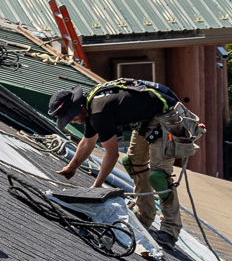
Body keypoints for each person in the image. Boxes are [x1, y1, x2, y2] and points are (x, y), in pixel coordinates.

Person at [49, 80, 199, 246]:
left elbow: (112, 155)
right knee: (133, 162)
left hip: (167, 118)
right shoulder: (91, 105)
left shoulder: (99, 112)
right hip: (146, 120)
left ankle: (170, 231)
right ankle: (144, 215)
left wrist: (96, 187)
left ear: (77, 108)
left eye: (70, 117)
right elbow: (87, 142)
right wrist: (72, 166)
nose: (71, 121)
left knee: (159, 176)